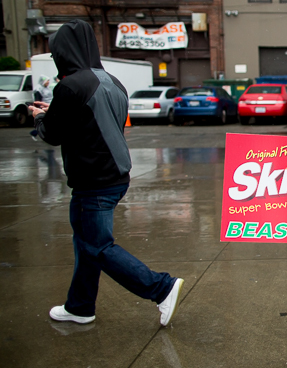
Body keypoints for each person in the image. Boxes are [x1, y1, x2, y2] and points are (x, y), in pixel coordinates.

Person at [29, 20, 184, 327]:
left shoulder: (71, 85)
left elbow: (52, 134)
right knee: (85, 243)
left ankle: (161, 288)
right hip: (114, 176)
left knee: (97, 246)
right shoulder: (112, 81)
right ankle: (80, 306)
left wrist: (38, 118)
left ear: (63, 52)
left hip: (94, 180)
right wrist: (54, 111)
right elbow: (89, 121)